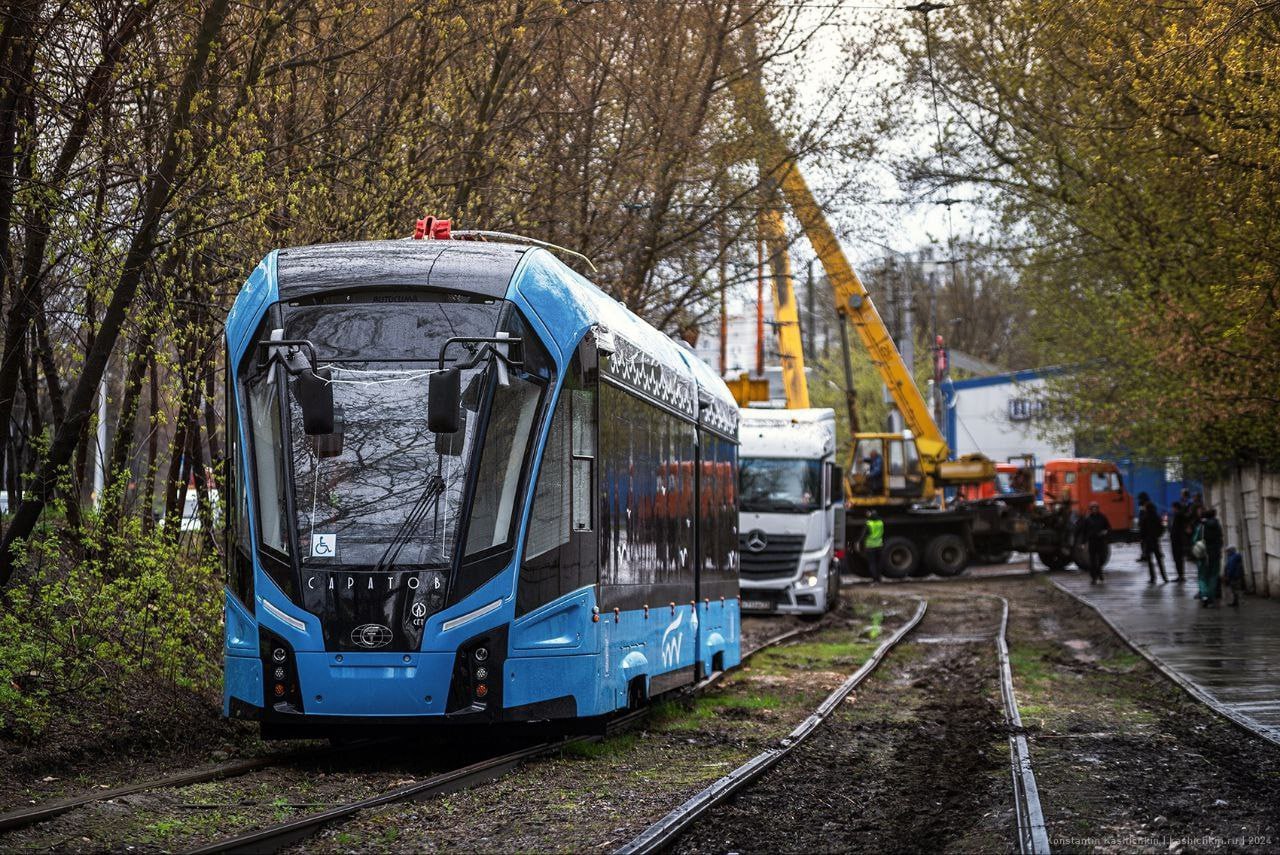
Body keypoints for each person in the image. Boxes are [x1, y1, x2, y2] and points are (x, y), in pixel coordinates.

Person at [1192, 507, 1224, 606]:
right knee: (1213, 576)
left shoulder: (1201, 526)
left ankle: (1204, 595)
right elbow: (1220, 540)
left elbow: (1195, 539)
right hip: (1215, 554)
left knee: (1202, 576)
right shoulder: (1217, 525)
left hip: (1203, 554)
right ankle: (1211, 597)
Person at [1080, 501, 1112, 583]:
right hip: (1092, 541)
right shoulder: (1088, 519)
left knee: (1101, 559)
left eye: (1096, 508)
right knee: (1093, 560)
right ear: (1090, 509)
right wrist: (1083, 543)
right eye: (1093, 508)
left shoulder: (1102, 517)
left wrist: (1106, 533)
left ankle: (1100, 573)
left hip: (1101, 541)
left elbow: (1108, 527)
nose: (1094, 510)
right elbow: (1084, 531)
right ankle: (1093, 578)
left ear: (1098, 509)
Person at [1138, 499, 1168, 583]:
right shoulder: (1156, 517)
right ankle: (1164, 577)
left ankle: (1153, 578)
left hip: (1148, 542)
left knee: (1150, 562)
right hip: (1155, 541)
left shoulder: (1145, 517)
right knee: (1159, 560)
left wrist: (1142, 539)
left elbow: (1142, 530)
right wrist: (1158, 535)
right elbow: (1162, 528)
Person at [860, 510, 884, 583]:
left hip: (870, 546)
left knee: (872, 563)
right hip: (879, 545)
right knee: (878, 563)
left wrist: (859, 542)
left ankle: (875, 579)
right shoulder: (880, 523)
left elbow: (863, 535)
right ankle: (879, 578)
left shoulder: (869, 524)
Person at [1169, 501, 1189, 583]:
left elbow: (1176, 529)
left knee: (1178, 559)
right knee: (1178, 559)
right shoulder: (1180, 515)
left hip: (1177, 541)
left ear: (1175, 508)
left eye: (1173, 507)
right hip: (1178, 540)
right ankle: (1180, 575)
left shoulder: (1178, 516)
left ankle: (1180, 576)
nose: (1172, 509)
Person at [1135, 492, 1151, 563]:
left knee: (1144, 542)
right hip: (1144, 526)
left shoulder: (1145, 505)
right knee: (1143, 542)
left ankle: (1145, 556)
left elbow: (1143, 516)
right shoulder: (1143, 504)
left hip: (1145, 527)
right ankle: (1144, 555)